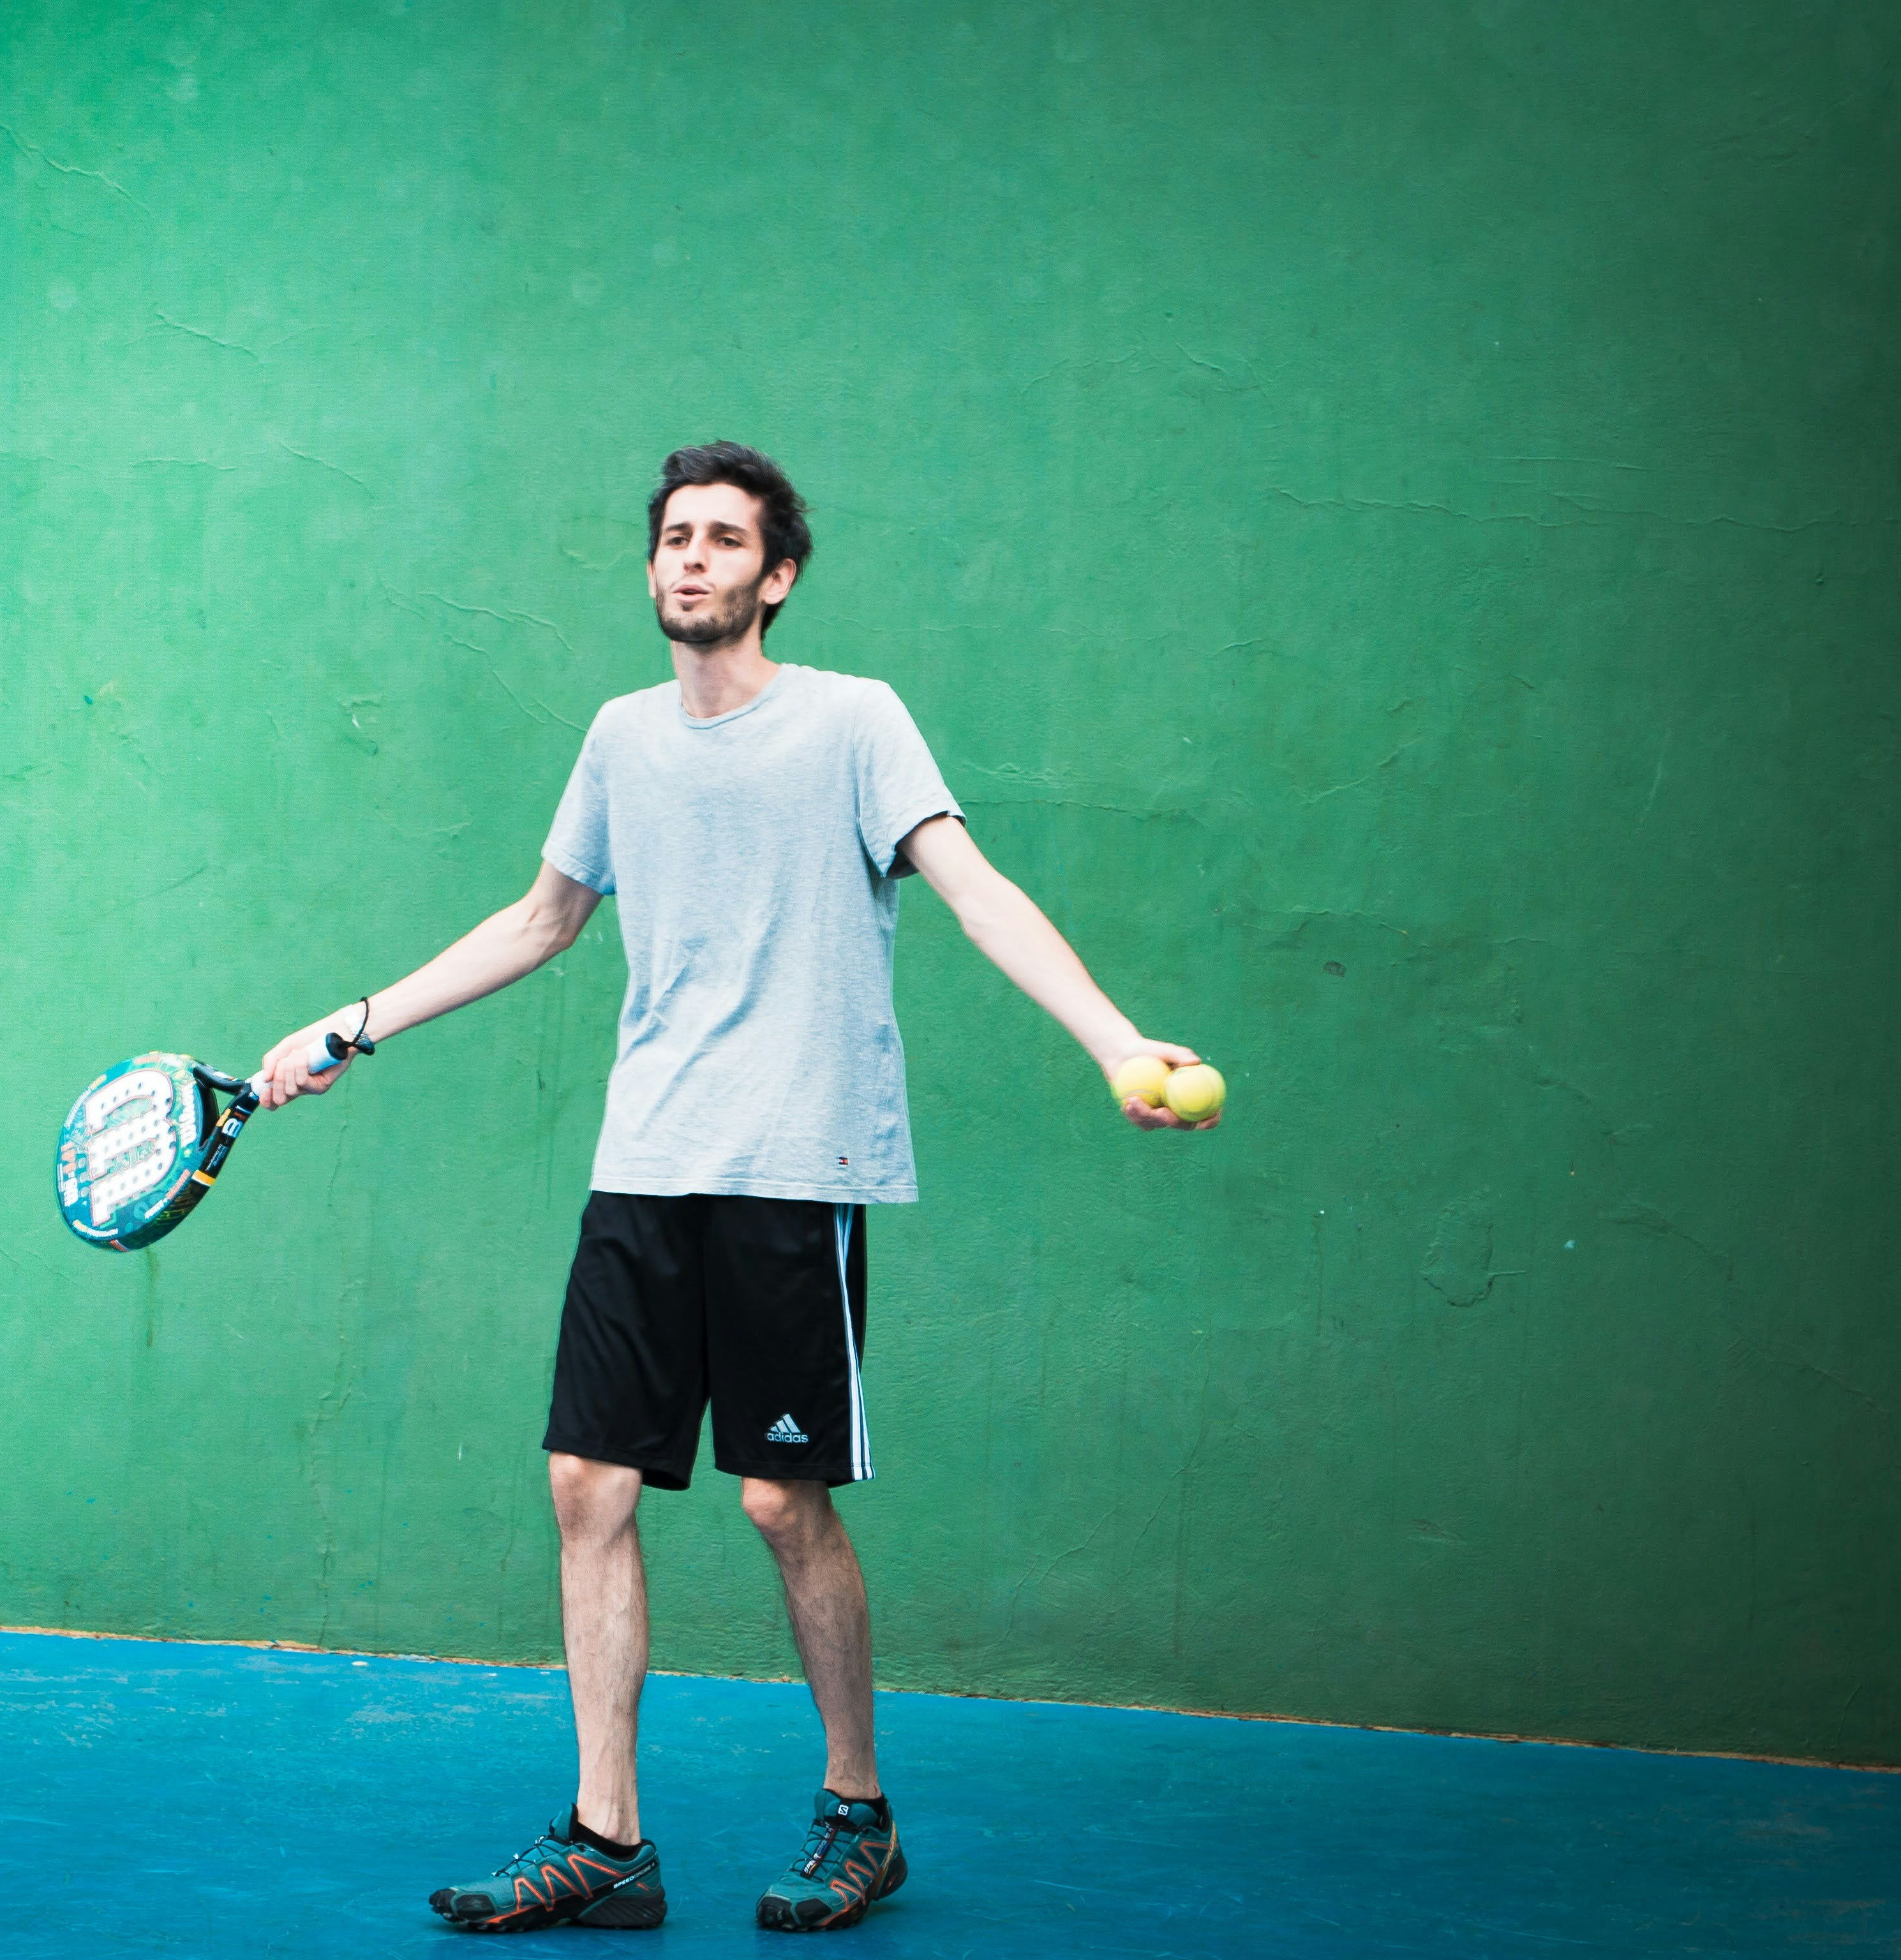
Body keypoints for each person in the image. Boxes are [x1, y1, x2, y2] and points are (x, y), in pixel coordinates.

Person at [257, 442, 1213, 1934]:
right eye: (674, 538)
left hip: (795, 1163)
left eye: (723, 539)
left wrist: (1114, 1040)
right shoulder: (620, 739)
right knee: (584, 1482)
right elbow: (540, 920)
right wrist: (352, 1022)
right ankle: (606, 1842)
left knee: (779, 1498)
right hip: (647, 1159)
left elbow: (975, 891)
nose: (691, 558)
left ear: (778, 576)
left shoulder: (854, 722)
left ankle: (859, 1816)